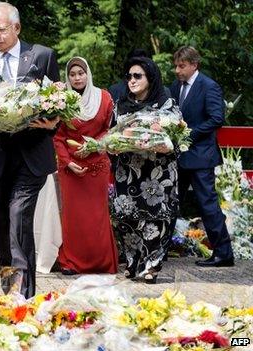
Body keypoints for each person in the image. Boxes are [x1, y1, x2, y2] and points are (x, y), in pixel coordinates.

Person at [0, 1, 60, 298]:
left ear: (17, 28)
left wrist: (52, 122)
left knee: (20, 219)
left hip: (31, 156)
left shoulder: (42, 56)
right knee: (0, 230)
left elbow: (58, 102)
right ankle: (10, 292)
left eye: (1, 29)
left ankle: (25, 297)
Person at [110, 56, 178, 284]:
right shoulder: (120, 104)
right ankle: (132, 262)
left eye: (137, 76)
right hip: (127, 172)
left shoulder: (166, 103)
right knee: (125, 218)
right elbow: (111, 133)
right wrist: (112, 144)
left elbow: (177, 136)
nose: (131, 80)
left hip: (158, 172)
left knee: (156, 219)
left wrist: (159, 141)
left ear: (150, 77)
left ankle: (151, 266)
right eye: (128, 76)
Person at [170, 46, 234, 267]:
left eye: (182, 66)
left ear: (194, 64)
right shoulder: (175, 87)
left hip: (201, 156)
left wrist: (188, 134)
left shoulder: (209, 86)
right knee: (170, 201)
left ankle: (224, 253)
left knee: (208, 205)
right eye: (176, 66)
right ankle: (160, 248)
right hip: (179, 157)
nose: (177, 70)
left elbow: (217, 119)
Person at [53, 57, 118, 275]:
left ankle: (102, 262)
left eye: (81, 73)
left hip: (96, 165)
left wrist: (95, 145)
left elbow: (110, 129)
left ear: (88, 74)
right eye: (72, 74)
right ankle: (71, 262)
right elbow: (58, 137)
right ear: (67, 77)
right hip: (71, 168)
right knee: (73, 217)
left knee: (96, 215)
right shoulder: (61, 101)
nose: (77, 78)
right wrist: (68, 162)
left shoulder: (104, 97)